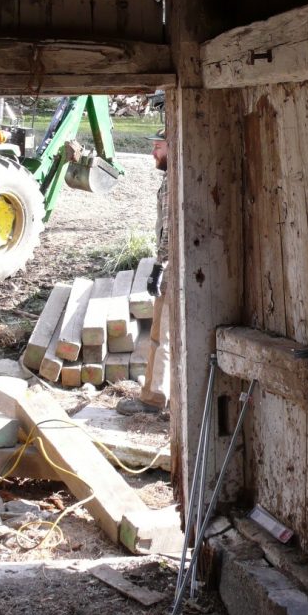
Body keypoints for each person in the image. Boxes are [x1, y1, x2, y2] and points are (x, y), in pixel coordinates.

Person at [140, 127, 170, 410]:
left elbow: (169, 230)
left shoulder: (173, 182)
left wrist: (159, 266)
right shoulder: (170, 180)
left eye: (158, 147)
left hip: (172, 267)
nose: (153, 153)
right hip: (172, 264)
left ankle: (155, 398)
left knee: (162, 336)